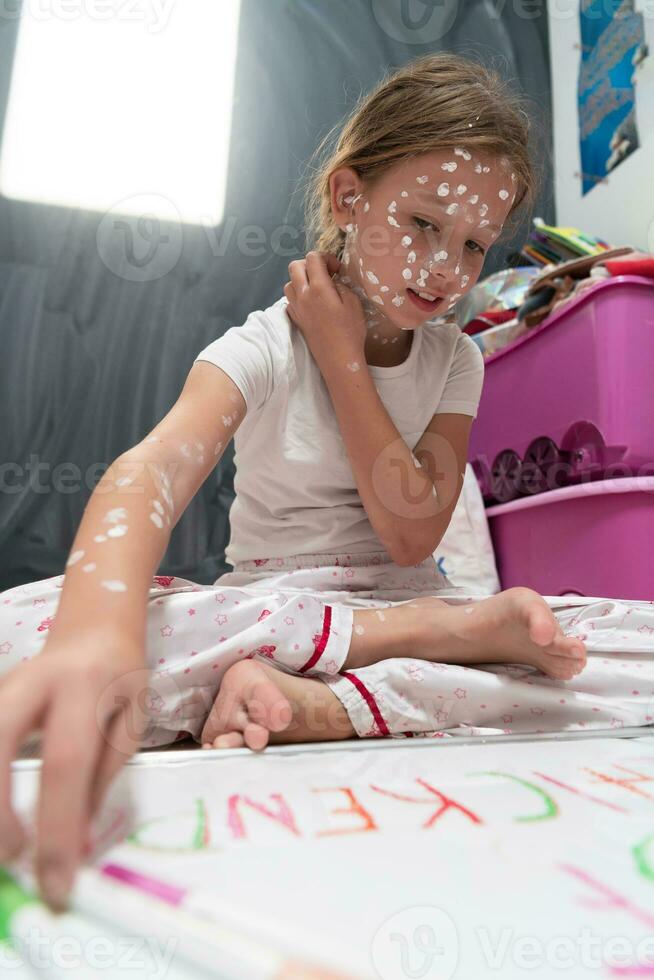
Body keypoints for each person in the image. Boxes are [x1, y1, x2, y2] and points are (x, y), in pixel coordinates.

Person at [1, 53, 653, 913]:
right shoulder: (265, 343)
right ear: (349, 199)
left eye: (471, 244)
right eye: (422, 223)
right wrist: (95, 633)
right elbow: (150, 470)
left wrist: (345, 356)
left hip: (416, 611)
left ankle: (324, 708)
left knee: (629, 642)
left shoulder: (456, 359)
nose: (447, 268)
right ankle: (394, 665)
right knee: (29, 630)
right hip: (272, 614)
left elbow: (412, 534)